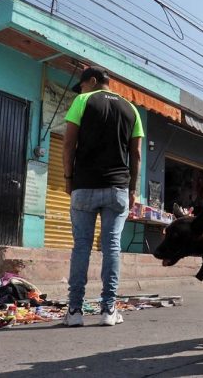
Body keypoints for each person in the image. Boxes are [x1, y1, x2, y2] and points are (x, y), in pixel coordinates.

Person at [62, 66, 144, 326]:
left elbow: (68, 144)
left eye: (82, 84)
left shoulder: (83, 101)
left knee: (82, 247)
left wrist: (68, 179)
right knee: (111, 247)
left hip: (84, 186)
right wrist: (132, 189)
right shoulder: (132, 109)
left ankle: (75, 312)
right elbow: (137, 154)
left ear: (93, 81)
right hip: (118, 189)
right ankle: (108, 311)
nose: (81, 89)